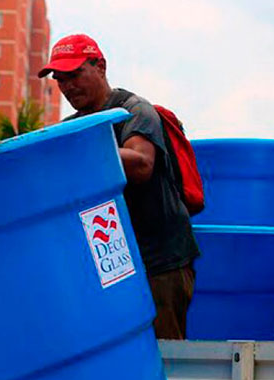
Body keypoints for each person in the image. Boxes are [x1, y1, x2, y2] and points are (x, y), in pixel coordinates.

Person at [39, 34, 199, 340]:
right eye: (60, 79)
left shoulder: (134, 111)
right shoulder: (71, 128)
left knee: (163, 354)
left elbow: (141, 164)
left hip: (161, 262)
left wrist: (75, 146)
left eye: (74, 75)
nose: (67, 86)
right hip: (109, 264)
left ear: (100, 67)